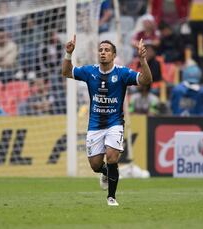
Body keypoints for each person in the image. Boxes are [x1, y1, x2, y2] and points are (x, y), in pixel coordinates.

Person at [62, 36, 152, 206]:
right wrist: (68, 54)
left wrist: (142, 59)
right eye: (101, 50)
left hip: (115, 123)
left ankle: (111, 197)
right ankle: (104, 172)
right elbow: (66, 72)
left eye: (107, 50)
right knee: (95, 165)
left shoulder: (122, 73)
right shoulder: (90, 71)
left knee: (112, 157)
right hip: (95, 125)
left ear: (113, 55)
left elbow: (146, 80)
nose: (103, 53)